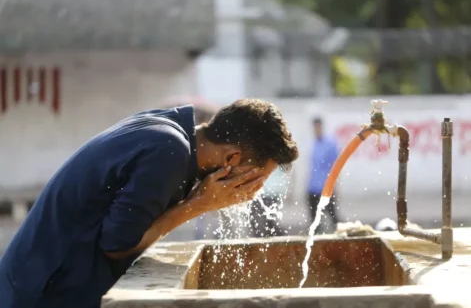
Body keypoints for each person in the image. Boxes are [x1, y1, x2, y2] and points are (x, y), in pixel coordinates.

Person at [0, 98, 299, 308]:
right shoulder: (168, 153)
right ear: (232, 159)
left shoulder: (168, 129)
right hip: (43, 293)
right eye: (257, 178)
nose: (255, 191)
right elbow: (117, 245)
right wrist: (197, 205)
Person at [307, 117, 340, 234]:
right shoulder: (314, 143)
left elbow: (336, 166)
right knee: (314, 219)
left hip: (326, 186)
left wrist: (335, 185)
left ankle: (341, 238)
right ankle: (316, 242)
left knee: (332, 215)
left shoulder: (330, 144)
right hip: (313, 186)